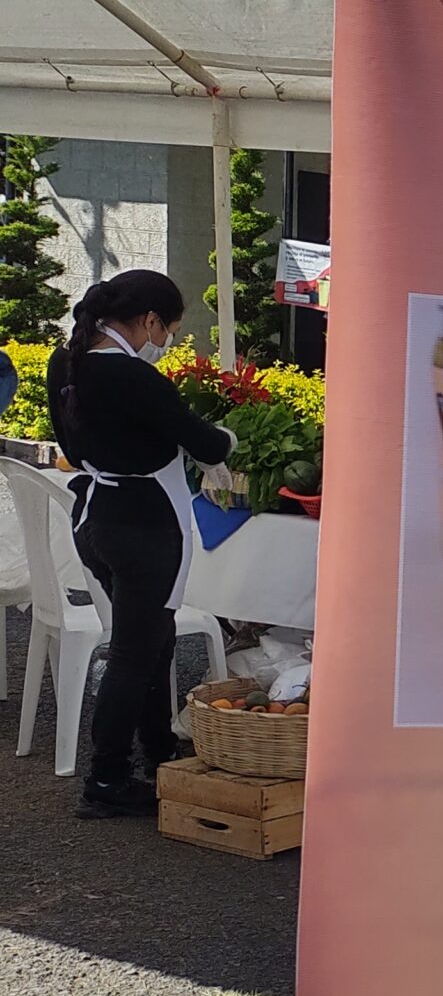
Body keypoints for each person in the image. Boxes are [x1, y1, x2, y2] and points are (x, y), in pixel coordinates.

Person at [44, 270, 235, 818]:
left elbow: (76, 450)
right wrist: (226, 440)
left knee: (153, 639)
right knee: (134, 650)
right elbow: (204, 441)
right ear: (150, 321)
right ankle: (105, 778)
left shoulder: (67, 364)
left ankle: (156, 751)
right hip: (144, 527)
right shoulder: (133, 377)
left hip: (98, 521)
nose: (167, 339)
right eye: (170, 327)